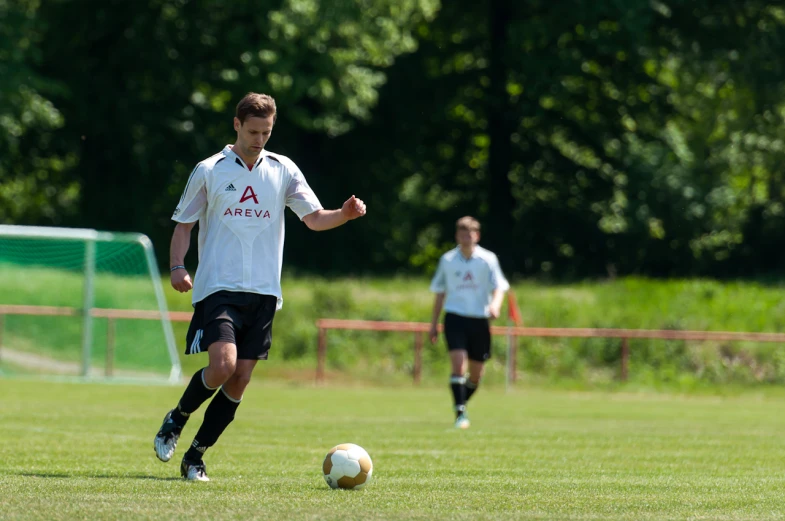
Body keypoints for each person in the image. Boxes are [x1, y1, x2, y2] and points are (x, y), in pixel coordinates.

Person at [154, 92, 367, 481]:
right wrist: (176, 266)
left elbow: (315, 218)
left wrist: (345, 215)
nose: (259, 139)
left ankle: (195, 457)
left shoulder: (283, 169)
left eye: (266, 132)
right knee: (223, 366)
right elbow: (184, 225)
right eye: (253, 131)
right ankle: (177, 418)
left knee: (240, 381)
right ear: (237, 125)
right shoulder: (210, 170)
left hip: (264, 292)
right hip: (219, 286)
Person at [428, 216, 509, 429]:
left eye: (470, 234)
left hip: (479, 320)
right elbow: (439, 293)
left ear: (477, 236)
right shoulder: (447, 260)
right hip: (455, 317)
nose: (466, 238)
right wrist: (433, 323)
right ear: (457, 236)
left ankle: (461, 403)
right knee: (458, 364)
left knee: (476, 375)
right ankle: (460, 413)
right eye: (462, 234)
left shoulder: (488, 259)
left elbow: (499, 286)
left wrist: (496, 305)